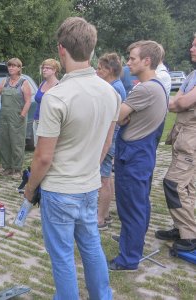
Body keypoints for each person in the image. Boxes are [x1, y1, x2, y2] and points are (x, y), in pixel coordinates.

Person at [24, 17, 120, 299]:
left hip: (60, 190)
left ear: (61, 49)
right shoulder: (110, 93)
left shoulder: (58, 97)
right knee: (91, 245)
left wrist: (30, 190)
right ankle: (102, 296)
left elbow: (43, 158)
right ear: (92, 49)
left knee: (63, 255)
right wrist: (89, 169)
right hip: (89, 186)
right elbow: (106, 143)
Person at [109, 40, 168, 271]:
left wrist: (124, 115)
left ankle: (128, 259)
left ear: (147, 61)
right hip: (142, 153)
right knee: (140, 203)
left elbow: (117, 115)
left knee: (131, 207)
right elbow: (124, 116)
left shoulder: (144, 88)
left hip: (133, 155)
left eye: (132, 58)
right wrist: (125, 116)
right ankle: (132, 242)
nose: (128, 62)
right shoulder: (158, 86)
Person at [156, 34, 196, 251]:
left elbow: (183, 101)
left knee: (174, 183)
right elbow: (175, 102)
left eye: (195, 45)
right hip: (182, 136)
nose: (191, 48)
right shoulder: (192, 74)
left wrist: (180, 102)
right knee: (186, 186)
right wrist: (180, 102)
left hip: (192, 140)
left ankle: (189, 237)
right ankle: (182, 227)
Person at [0, 58, 32, 176]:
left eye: (14, 66)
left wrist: (22, 115)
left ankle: (17, 169)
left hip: (17, 118)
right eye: (9, 66)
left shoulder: (23, 82)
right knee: (4, 142)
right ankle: (7, 167)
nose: (11, 68)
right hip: (4, 117)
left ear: (19, 68)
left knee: (17, 144)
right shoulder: (5, 81)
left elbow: (28, 101)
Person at [95, 53, 127, 230]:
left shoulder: (114, 89)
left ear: (109, 70)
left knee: (103, 180)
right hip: (110, 139)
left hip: (109, 140)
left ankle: (100, 219)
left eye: (100, 68)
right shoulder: (114, 85)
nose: (97, 71)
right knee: (107, 178)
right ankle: (105, 214)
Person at [32, 59, 60, 147]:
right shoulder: (42, 83)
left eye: (47, 68)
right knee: (37, 149)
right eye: (43, 68)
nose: (44, 70)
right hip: (36, 121)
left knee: (47, 151)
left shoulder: (59, 86)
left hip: (49, 123)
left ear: (54, 70)